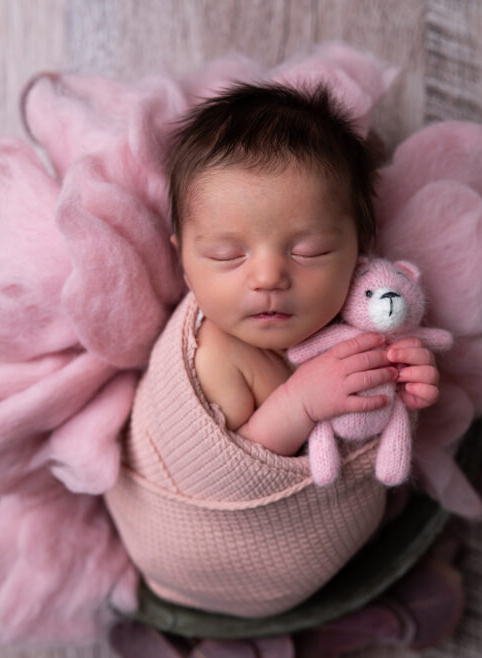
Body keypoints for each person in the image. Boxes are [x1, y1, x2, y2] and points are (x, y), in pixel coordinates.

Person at [167, 82, 441, 455]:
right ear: (183, 261)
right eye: (227, 255)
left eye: (309, 251)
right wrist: (302, 404)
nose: (268, 279)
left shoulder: (358, 324)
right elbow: (223, 467)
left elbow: (370, 421)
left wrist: (402, 376)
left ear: (360, 250)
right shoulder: (213, 354)